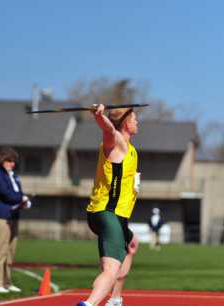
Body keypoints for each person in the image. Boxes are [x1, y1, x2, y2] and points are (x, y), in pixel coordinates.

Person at [77, 104, 140, 306]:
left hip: (116, 216)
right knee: (110, 270)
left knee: (130, 244)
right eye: (134, 119)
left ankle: (114, 298)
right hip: (107, 213)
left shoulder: (130, 150)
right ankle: (89, 304)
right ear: (126, 123)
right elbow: (108, 130)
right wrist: (99, 115)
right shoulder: (117, 143)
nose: (137, 122)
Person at [0, 147, 31, 293]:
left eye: (13, 161)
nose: (12, 163)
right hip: (1, 217)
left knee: (10, 252)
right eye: (9, 160)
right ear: (1, 161)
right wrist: (22, 198)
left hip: (13, 216)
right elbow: (6, 194)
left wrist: (24, 201)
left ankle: (6, 282)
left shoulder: (13, 176)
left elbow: (17, 193)